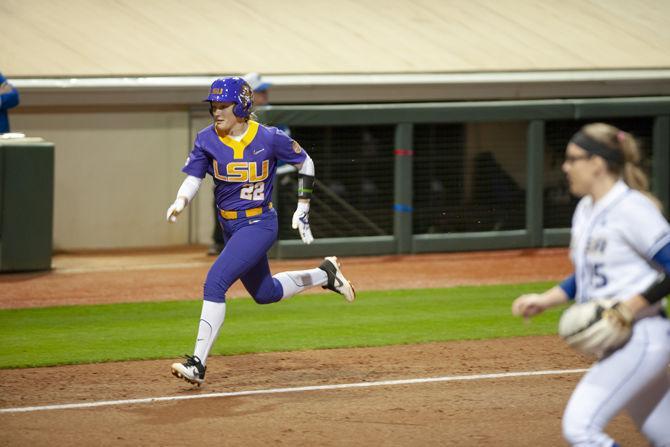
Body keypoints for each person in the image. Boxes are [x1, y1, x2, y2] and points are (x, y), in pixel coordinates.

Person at [167, 76, 355, 385]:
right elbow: (194, 177)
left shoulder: (269, 137)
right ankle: (326, 274)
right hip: (231, 225)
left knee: (215, 282)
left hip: (259, 224)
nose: (216, 111)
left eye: (223, 105)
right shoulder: (206, 138)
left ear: (241, 105)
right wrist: (181, 199)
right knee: (265, 293)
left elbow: (306, 162)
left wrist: (303, 206)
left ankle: (198, 364)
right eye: (213, 106)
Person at [511, 123, 670, 446]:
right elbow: (588, 274)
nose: (565, 167)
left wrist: (630, 307)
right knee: (663, 432)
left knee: (580, 429)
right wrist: (545, 299)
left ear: (597, 163)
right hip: (621, 339)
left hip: (642, 336)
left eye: (573, 159)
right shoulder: (585, 210)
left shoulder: (632, 209)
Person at [208, 72, 276, 255]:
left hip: (265, 178)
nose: (264, 96)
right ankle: (220, 242)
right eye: (260, 92)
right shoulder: (228, 121)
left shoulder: (272, 121)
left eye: (265, 92)